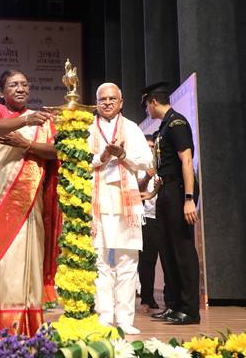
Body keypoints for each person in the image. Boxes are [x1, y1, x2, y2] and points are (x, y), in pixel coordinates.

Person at [0, 69, 60, 339]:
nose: (20, 88)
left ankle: (26, 316)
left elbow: (56, 151)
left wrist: (27, 144)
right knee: (2, 253)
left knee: (27, 251)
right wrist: (25, 120)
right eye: (13, 85)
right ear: (2, 92)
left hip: (29, 198)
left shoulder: (42, 121)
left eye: (24, 84)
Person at [89, 83, 152, 335]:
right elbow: (81, 161)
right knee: (101, 261)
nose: (107, 102)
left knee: (127, 261)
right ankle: (104, 315)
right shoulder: (87, 129)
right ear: (96, 102)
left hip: (127, 203)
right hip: (99, 202)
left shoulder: (132, 128)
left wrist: (123, 154)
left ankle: (125, 318)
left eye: (112, 98)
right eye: (102, 99)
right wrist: (103, 157)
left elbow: (147, 161)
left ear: (121, 101)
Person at [141, 82, 200, 325]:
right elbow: (164, 171)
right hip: (166, 191)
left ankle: (190, 309)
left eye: (146, 105)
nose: (147, 110)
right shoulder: (163, 127)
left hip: (178, 193)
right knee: (166, 251)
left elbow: (186, 162)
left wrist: (188, 199)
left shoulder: (177, 123)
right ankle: (173, 305)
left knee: (182, 250)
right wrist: (152, 193)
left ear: (153, 102)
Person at [137, 134, 174, 313]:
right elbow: (136, 191)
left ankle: (170, 299)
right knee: (147, 261)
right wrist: (146, 176)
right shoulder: (137, 166)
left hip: (165, 217)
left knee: (168, 259)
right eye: (147, 146)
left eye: (152, 146)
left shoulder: (165, 165)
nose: (150, 149)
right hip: (147, 218)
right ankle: (147, 298)